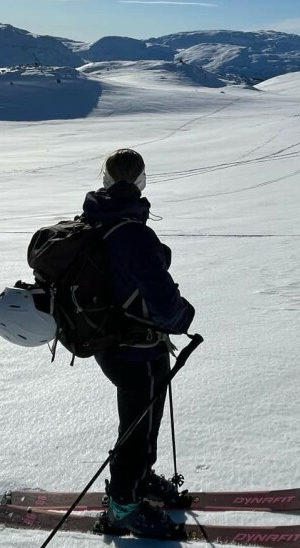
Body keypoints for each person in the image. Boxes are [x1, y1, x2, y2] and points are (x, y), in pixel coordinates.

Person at [79, 148, 195, 538]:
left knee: (136, 425)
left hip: (106, 342)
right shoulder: (134, 233)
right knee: (139, 430)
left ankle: (137, 480)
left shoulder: (94, 220)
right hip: (138, 350)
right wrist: (183, 317)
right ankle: (125, 508)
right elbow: (165, 305)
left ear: (106, 180)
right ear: (141, 181)